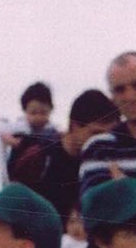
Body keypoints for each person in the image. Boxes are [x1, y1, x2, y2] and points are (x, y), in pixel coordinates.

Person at [11, 88, 122, 224]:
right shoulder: (39, 158)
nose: (101, 141)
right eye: (95, 133)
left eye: (108, 135)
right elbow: (14, 209)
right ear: (74, 125)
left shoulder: (110, 163)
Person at [80, 53, 136, 190]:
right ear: (113, 98)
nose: (130, 96)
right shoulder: (100, 148)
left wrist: (127, 191)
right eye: (120, 90)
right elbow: (99, 208)